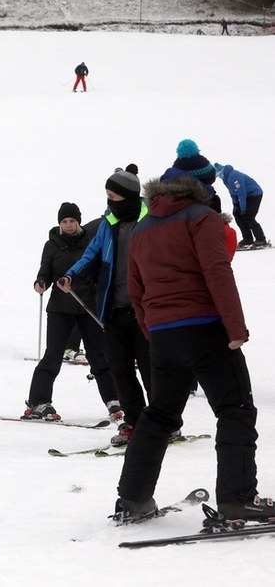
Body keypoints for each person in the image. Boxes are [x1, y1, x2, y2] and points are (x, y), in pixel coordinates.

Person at [114, 165, 274, 523]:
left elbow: (136, 290)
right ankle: (238, 498)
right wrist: (235, 327)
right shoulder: (202, 218)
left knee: (159, 415)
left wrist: (153, 332)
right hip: (205, 329)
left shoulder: (142, 229)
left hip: (164, 336)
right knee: (235, 411)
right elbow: (217, 271)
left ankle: (133, 498)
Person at [59, 165, 151, 447]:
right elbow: (92, 254)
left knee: (151, 370)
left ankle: (165, 423)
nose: (109, 200)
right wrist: (72, 274)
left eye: (113, 195)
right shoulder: (107, 223)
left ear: (127, 195)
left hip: (146, 311)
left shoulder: (152, 221)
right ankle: (134, 421)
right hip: (114, 310)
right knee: (120, 371)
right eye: (107, 195)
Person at [23, 203, 121, 422]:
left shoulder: (90, 242)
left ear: (79, 221)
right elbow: (45, 272)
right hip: (60, 308)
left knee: (98, 356)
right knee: (53, 355)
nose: (68, 225)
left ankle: (114, 400)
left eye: (72, 221)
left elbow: (97, 270)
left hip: (88, 307)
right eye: (64, 222)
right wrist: (41, 283)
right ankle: (39, 401)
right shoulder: (52, 245)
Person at [214, 162, 267, 249]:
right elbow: (232, 192)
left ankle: (261, 239)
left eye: (219, 174)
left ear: (222, 171)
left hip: (254, 194)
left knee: (248, 217)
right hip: (245, 196)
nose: (219, 177)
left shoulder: (234, 176)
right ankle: (247, 239)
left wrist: (243, 208)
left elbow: (241, 193)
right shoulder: (226, 179)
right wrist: (235, 205)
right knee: (237, 215)